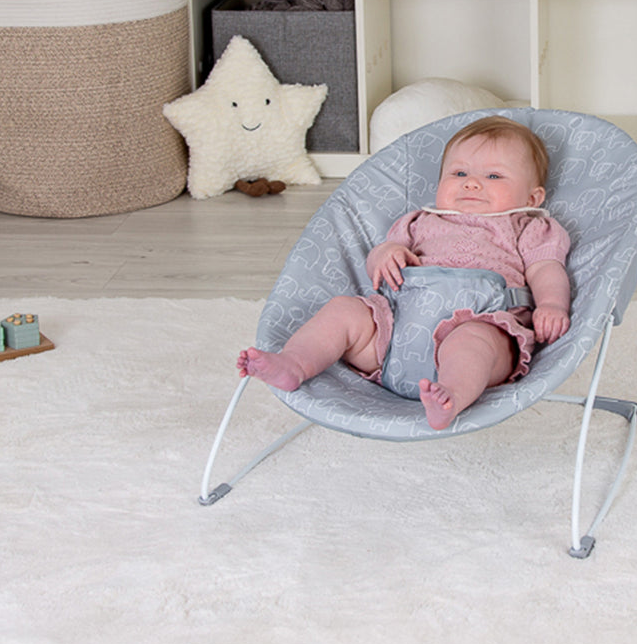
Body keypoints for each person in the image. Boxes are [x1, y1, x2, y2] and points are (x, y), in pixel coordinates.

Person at [237, 116, 571, 430]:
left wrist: (552, 305)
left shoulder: (528, 226)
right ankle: (295, 364)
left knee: (475, 343)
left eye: (493, 177)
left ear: (532, 197)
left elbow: (546, 268)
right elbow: (378, 263)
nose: (471, 184)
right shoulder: (418, 221)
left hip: (479, 321)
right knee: (344, 310)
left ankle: (451, 396)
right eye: (458, 174)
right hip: (392, 335)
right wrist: (385, 254)